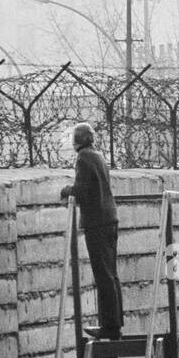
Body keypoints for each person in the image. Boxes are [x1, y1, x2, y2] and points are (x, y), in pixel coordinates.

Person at [60, 123, 122, 339]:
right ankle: (114, 323)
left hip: (97, 222)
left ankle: (109, 326)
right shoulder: (98, 155)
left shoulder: (83, 158)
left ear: (76, 140)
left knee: (103, 275)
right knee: (111, 274)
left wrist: (65, 190)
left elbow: (83, 191)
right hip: (110, 219)